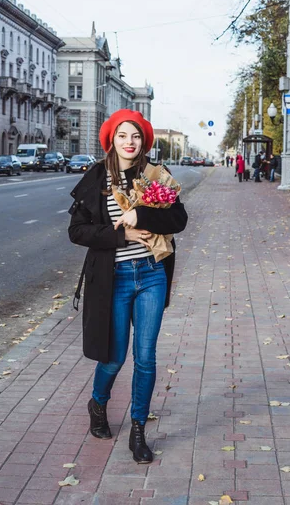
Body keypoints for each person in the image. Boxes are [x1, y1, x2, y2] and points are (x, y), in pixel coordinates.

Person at [68, 110, 188, 464]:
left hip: (151, 274)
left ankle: (138, 429)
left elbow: (178, 219)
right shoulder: (96, 178)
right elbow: (77, 232)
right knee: (114, 357)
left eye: (135, 135)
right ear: (111, 139)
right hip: (114, 278)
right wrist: (123, 233)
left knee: (146, 357)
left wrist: (141, 215)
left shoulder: (157, 176)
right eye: (122, 135)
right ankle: (98, 403)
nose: (129, 142)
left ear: (144, 140)